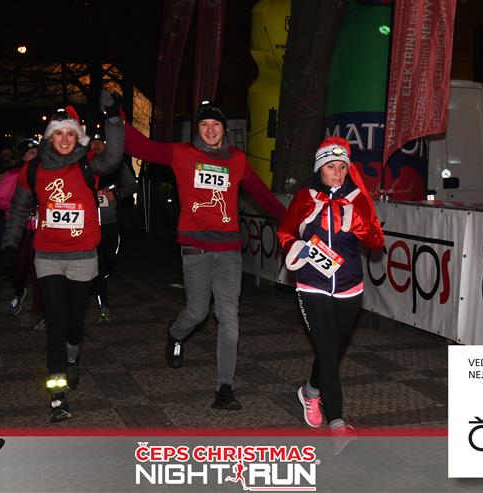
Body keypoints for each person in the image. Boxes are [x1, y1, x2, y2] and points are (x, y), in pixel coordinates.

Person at [124, 100, 287, 410]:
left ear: (224, 129)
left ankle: (225, 387)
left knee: (229, 317)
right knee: (197, 313)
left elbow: (261, 193)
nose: (210, 130)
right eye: (204, 125)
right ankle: (175, 333)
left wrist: (290, 219)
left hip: (228, 252)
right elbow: (141, 148)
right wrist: (116, 119)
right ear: (197, 130)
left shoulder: (236, 159)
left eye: (216, 125)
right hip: (195, 250)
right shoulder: (182, 154)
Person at [1, 93, 124, 422]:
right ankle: (58, 395)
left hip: (83, 257)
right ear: (49, 137)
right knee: (55, 324)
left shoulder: (88, 163)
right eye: (59, 133)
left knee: (73, 323)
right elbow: (18, 210)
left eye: (71, 133)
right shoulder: (33, 169)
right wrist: (9, 245)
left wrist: (113, 118)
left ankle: (72, 356)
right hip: (48, 257)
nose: (65, 139)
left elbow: (114, 157)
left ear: (77, 136)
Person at [276, 136, 384, 453]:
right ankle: (337, 424)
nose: (336, 173)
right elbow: (285, 232)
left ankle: (310, 392)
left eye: (341, 167)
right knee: (327, 352)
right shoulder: (305, 197)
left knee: (332, 352)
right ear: (319, 169)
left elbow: (377, 241)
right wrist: (294, 246)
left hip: (350, 286)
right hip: (312, 284)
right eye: (330, 167)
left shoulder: (357, 198)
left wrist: (359, 223)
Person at [0, 138, 44, 323]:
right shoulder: (13, 174)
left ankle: (41, 309)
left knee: (40, 270)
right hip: (20, 230)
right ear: (22, 157)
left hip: (41, 229)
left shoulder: (47, 172)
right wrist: (22, 203)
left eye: (37, 152)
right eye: (31, 153)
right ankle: (19, 291)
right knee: (20, 267)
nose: (35, 155)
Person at [91, 135, 139, 323]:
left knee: (109, 261)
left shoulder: (118, 166)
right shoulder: (85, 165)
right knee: (98, 264)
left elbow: (133, 186)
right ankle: (103, 303)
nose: (96, 146)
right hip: (90, 225)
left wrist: (115, 194)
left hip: (111, 222)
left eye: (100, 143)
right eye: (93, 143)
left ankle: (97, 281)